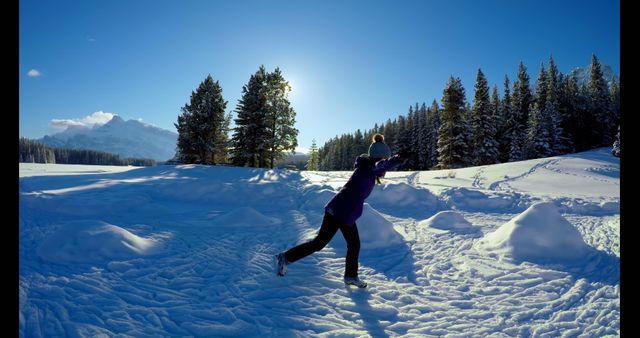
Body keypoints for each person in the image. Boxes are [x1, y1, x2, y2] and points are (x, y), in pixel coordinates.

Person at [275, 134, 406, 288]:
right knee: (321, 243)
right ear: (379, 159)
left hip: (343, 212)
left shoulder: (367, 170)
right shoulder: (367, 169)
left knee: (350, 244)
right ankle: (285, 257)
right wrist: (398, 159)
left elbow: (379, 167)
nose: (385, 169)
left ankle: (350, 276)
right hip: (339, 212)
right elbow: (381, 166)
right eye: (383, 159)